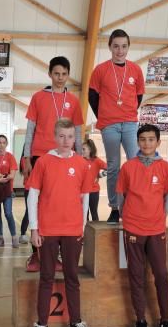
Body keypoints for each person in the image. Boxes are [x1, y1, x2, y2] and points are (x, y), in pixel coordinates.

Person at [27, 118, 95, 327]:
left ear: (75, 138)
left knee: (72, 277)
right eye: (62, 136)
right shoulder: (43, 162)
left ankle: (75, 323)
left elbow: (85, 198)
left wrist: (81, 227)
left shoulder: (82, 164)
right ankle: (42, 325)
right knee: (46, 277)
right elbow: (33, 196)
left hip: (72, 230)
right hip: (47, 229)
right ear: (55, 137)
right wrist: (34, 228)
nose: (66, 141)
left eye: (70, 137)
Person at [116, 124, 168, 327]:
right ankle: (140, 321)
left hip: (156, 229)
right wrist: (128, 218)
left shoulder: (165, 168)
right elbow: (121, 196)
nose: (147, 143)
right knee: (136, 276)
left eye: (151, 139)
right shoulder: (128, 167)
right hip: (133, 229)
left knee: (161, 274)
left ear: (158, 142)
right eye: (143, 139)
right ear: (137, 142)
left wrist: (159, 218)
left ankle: (165, 320)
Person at [23, 56, 84, 268]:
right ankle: (36, 253)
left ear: (68, 75)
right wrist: (26, 157)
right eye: (56, 73)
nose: (60, 78)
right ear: (50, 74)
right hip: (40, 155)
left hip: (66, 158)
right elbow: (30, 129)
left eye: (64, 74)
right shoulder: (38, 97)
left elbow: (77, 131)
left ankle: (54, 255)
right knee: (34, 202)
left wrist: (80, 156)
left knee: (60, 205)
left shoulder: (73, 100)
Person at [89, 29, 145, 225]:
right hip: (109, 125)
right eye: (116, 46)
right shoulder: (100, 70)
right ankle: (115, 208)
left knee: (135, 163)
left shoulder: (135, 70)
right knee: (113, 166)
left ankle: (133, 205)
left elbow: (139, 96)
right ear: (110, 47)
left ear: (128, 47)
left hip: (130, 122)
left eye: (123, 46)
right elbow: (92, 96)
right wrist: (105, 115)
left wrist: (127, 112)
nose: (120, 51)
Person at [82, 139, 107, 221]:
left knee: (94, 213)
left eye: (84, 149)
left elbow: (110, 169)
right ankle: (85, 229)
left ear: (90, 150)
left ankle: (96, 229)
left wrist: (100, 175)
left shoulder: (97, 161)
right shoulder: (80, 160)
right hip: (83, 191)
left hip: (94, 191)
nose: (82, 151)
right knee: (85, 213)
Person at [19, 146, 29, 244]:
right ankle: (22, 234)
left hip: (38, 189)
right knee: (29, 211)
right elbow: (28, 172)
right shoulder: (24, 159)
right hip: (29, 188)